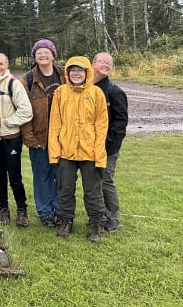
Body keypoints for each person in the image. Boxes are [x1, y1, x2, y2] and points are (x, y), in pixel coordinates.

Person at [48, 56, 109, 242]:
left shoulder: (97, 93)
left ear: (87, 72)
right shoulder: (60, 92)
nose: (76, 74)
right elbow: (55, 124)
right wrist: (54, 153)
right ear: (67, 73)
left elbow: (101, 125)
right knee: (65, 189)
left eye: (80, 71)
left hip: (90, 151)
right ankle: (66, 221)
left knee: (92, 191)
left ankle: (97, 223)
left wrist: (99, 154)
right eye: (72, 70)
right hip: (66, 151)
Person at [20, 39, 65, 227]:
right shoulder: (28, 80)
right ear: (34, 56)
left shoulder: (65, 75)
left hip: (63, 137)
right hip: (40, 137)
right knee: (42, 176)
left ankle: (61, 210)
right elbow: (23, 110)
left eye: (47, 52)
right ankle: (45, 212)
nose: (43, 55)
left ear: (53, 55)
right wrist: (29, 138)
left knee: (61, 176)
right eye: (39, 52)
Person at [0, 53, 33, 226]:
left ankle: (22, 210)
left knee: (14, 176)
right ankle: (3, 210)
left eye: (1, 64)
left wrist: (8, 122)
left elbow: (26, 111)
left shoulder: (14, 83)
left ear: (7, 64)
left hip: (11, 138)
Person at [92, 52, 128, 232]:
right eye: (102, 62)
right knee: (93, 182)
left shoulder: (114, 91)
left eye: (109, 63)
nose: (106, 65)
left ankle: (113, 217)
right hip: (87, 145)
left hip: (107, 147)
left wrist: (109, 144)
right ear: (93, 64)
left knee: (106, 180)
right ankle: (98, 215)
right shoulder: (85, 87)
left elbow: (121, 122)